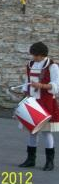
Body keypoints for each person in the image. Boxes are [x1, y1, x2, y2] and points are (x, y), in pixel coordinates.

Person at [19, 42, 59, 171]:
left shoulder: (52, 66)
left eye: (35, 55)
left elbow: (56, 85)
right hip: (33, 102)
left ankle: (49, 162)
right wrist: (24, 91)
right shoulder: (30, 65)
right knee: (32, 131)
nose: (33, 58)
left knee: (47, 132)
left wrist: (41, 86)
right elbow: (27, 81)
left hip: (46, 102)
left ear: (42, 55)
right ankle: (30, 159)